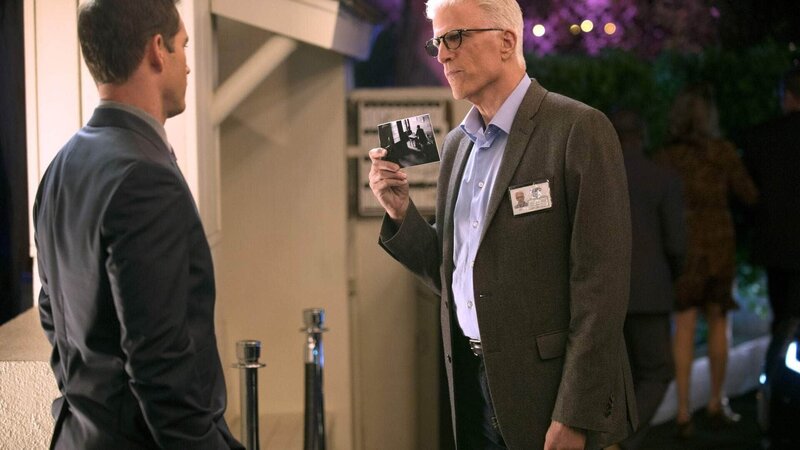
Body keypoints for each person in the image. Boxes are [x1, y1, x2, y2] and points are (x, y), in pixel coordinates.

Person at [368, 0, 637, 448]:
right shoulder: (457, 146)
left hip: (552, 396)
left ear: (507, 42)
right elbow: (452, 276)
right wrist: (400, 211)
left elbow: (602, 290)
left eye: (455, 37)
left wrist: (575, 414)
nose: (442, 54)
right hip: (472, 387)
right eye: (437, 42)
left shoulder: (578, 129)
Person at [33, 1, 242, 448]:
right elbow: (161, 368)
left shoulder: (60, 167)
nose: (188, 65)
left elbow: (52, 312)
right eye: (184, 46)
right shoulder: (144, 177)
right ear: (157, 50)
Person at [655, 86, 758, 438]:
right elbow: (749, 194)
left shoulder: (667, 157)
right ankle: (717, 402)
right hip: (718, 246)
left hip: (684, 248)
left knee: (683, 326)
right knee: (719, 322)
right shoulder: (722, 152)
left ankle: (684, 412)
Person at [611, 110, 686, 449]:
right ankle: (622, 441)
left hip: (606, 292)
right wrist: (674, 276)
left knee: (618, 376)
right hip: (650, 291)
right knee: (656, 372)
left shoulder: (597, 177)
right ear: (642, 136)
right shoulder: (662, 178)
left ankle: (612, 439)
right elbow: (676, 243)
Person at [740, 67, 800, 350]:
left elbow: (749, 196)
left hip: (776, 241)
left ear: (787, 96)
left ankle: (780, 369)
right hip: (780, 241)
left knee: (782, 317)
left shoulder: (761, 137)